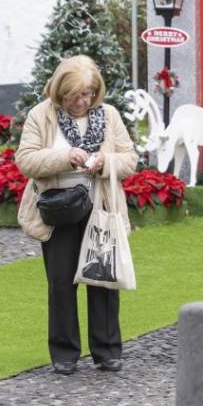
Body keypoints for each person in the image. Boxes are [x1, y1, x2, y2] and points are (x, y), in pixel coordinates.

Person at [15, 56, 138, 375]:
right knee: (61, 282)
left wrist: (105, 162)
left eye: (88, 94)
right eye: (75, 95)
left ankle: (107, 351)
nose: (82, 101)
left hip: (101, 207)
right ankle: (65, 353)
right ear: (60, 92)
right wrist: (65, 156)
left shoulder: (108, 114)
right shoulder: (41, 115)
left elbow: (129, 159)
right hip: (59, 208)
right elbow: (25, 160)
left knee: (104, 280)